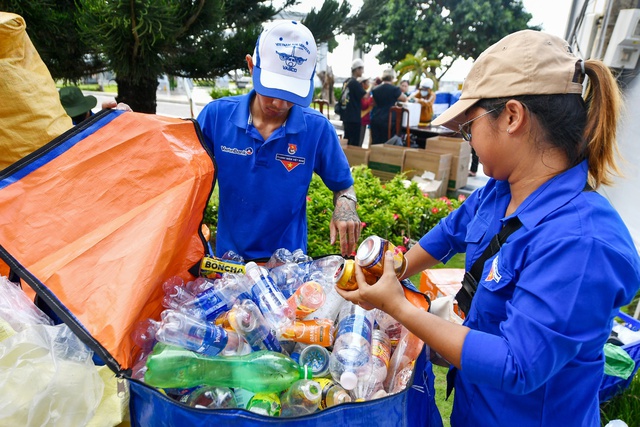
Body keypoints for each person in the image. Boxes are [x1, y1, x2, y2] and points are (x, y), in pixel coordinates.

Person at [337, 30, 640, 426]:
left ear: (512, 117)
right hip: (475, 408)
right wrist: (391, 270)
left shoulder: (581, 243)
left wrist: (396, 305)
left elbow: (517, 364)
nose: (470, 140)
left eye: (469, 127)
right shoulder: (501, 190)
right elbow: (448, 234)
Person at [197, 20, 361, 260]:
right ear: (251, 67)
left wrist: (346, 206)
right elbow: (175, 167)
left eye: (291, 93)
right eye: (272, 90)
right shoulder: (216, 117)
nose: (280, 104)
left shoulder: (316, 128)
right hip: (229, 264)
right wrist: (126, 122)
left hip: (288, 267)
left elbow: (343, 185)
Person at [369, 68, 407, 144]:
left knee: (376, 142)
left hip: (376, 118)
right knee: (387, 143)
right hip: (389, 120)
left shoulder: (375, 89)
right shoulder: (394, 89)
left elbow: (374, 103)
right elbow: (404, 98)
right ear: (392, 77)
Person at [340, 58, 367, 146]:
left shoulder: (346, 81)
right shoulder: (354, 83)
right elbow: (365, 96)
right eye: (361, 69)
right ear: (357, 69)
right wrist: (372, 87)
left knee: (346, 139)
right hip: (354, 117)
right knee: (354, 142)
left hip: (345, 115)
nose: (362, 71)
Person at [358, 76, 373, 147]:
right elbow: (364, 105)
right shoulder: (362, 94)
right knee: (359, 140)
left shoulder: (365, 93)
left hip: (364, 119)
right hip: (361, 119)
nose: (368, 84)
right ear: (363, 84)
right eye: (367, 83)